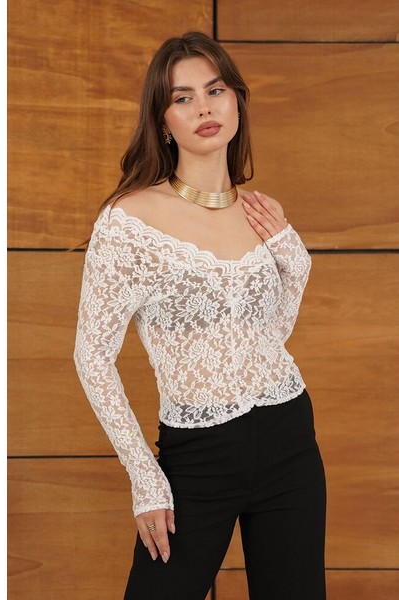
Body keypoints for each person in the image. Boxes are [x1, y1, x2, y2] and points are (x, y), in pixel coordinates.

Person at [73, 31, 327, 600]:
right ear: (163, 120)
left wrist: (294, 260)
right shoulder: (129, 221)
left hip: (289, 437)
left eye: (215, 91)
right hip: (197, 454)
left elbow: (265, 338)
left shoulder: (259, 212)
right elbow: (92, 356)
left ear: (237, 101)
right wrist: (145, 477)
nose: (204, 108)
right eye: (182, 98)